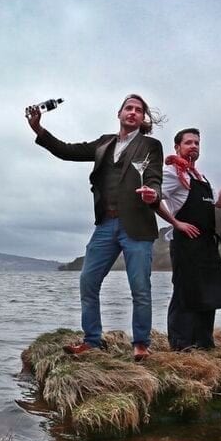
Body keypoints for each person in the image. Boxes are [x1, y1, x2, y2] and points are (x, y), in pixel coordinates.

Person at [27, 94, 164, 362]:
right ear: (119, 113)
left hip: (137, 224)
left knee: (140, 288)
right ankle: (92, 341)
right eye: (128, 108)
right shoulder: (104, 143)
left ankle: (141, 344)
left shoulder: (151, 145)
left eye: (138, 110)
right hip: (106, 224)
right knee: (88, 281)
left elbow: (154, 177)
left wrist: (153, 194)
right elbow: (67, 151)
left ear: (142, 118)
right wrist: (39, 130)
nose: (133, 112)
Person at [157, 128, 221, 350]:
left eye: (197, 143)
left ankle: (204, 344)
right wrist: (176, 223)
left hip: (207, 245)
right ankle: (181, 345)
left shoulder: (200, 177)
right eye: (188, 142)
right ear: (177, 147)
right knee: (185, 292)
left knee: (209, 292)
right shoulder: (170, 173)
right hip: (185, 243)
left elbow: (219, 202)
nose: (194, 146)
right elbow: (154, 197)